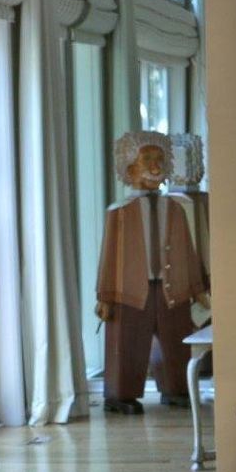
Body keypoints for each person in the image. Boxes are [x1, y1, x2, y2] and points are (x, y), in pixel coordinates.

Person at [96, 130, 210, 414]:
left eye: (160, 159)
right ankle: (120, 395)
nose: (155, 165)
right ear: (130, 168)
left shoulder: (176, 208)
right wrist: (105, 295)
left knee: (176, 339)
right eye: (147, 159)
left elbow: (188, 251)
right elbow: (109, 257)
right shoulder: (120, 212)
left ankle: (176, 388)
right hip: (131, 290)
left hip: (174, 286)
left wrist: (198, 289)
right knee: (127, 342)